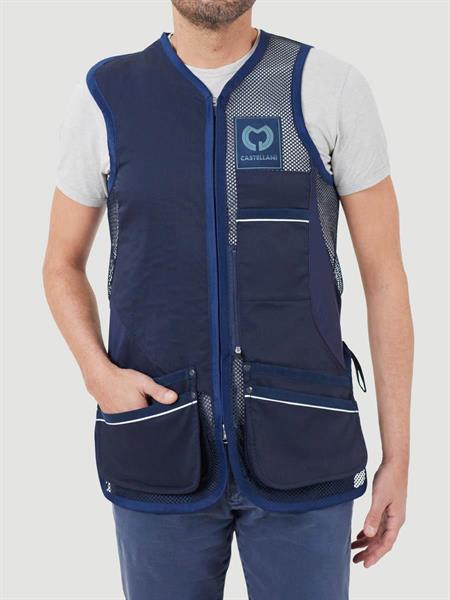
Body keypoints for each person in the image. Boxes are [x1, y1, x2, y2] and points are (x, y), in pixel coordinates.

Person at [43, 1, 413, 598]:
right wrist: (97, 374)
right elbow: (61, 262)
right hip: (158, 439)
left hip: (304, 441)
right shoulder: (107, 96)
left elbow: (386, 278)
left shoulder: (329, 86)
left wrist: (398, 457)